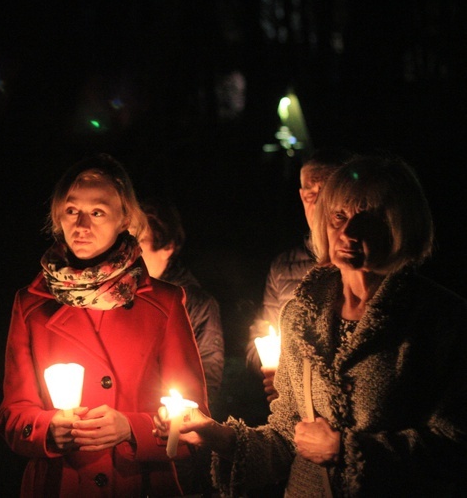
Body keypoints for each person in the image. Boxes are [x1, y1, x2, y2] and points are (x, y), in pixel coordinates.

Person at [158, 155, 467, 496]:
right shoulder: (302, 315)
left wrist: (346, 451)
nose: (348, 232)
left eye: (368, 217)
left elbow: (455, 443)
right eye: (339, 215)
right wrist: (215, 434)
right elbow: (287, 438)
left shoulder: (439, 319)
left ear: (401, 225)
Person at [0, 154, 210, 497]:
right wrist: (49, 429)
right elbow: (13, 414)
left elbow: (195, 423)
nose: (82, 225)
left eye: (97, 212)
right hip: (60, 483)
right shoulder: (32, 303)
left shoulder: (163, 303)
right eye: (71, 211)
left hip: (137, 482)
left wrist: (131, 428)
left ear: (124, 218)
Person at [248, 148, 355, 403]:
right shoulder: (284, 266)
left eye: (326, 191)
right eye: (310, 192)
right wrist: (271, 367)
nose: (317, 201)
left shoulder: (361, 264)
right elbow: (263, 334)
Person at [139, 198, 225, 495]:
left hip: (173, 448)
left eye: (139, 243)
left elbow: (206, 380)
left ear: (167, 247)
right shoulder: (120, 298)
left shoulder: (197, 304)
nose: (129, 252)